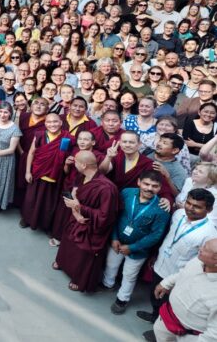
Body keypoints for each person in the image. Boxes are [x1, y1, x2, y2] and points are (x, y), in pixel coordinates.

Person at [136, 189, 217, 325]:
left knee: (168, 305)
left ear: (208, 210)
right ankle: (154, 316)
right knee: (154, 295)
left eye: (197, 206)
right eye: (188, 203)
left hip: (177, 276)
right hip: (160, 264)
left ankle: (159, 331)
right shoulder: (178, 214)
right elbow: (168, 237)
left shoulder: (210, 234)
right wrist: (156, 255)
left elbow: (201, 262)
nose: (190, 208)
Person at [103, 171, 170, 315]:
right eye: (146, 184)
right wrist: (114, 237)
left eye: (155, 186)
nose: (149, 188)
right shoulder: (127, 193)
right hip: (117, 242)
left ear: (160, 188)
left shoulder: (162, 209)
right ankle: (107, 284)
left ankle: (122, 299)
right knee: (111, 264)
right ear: (139, 182)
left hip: (139, 250)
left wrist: (132, 247)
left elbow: (155, 235)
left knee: (129, 275)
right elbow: (116, 215)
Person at [53, 151, 119, 292]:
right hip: (76, 218)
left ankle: (79, 279)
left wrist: (79, 208)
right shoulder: (81, 177)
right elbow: (74, 197)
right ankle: (63, 263)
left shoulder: (106, 188)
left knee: (83, 253)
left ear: (83, 165)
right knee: (67, 241)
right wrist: (76, 213)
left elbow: (105, 216)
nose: (74, 164)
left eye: (75, 162)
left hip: (91, 225)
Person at [150, 239, 217, 342]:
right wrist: (167, 283)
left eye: (205, 248)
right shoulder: (198, 261)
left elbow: (213, 334)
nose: (200, 248)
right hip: (167, 318)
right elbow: (184, 272)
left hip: (189, 336)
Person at [21, 113, 73, 232]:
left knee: (48, 203)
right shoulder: (39, 135)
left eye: (55, 122)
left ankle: (44, 224)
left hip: (55, 175)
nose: (52, 124)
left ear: (61, 123)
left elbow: (65, 158)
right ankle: (27, 218)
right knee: (30, 199)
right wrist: (27, 172)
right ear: (45, 124)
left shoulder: (67, 138)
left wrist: (66, 165)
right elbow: (31, 153)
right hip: (37, 173)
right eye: (49, 122)